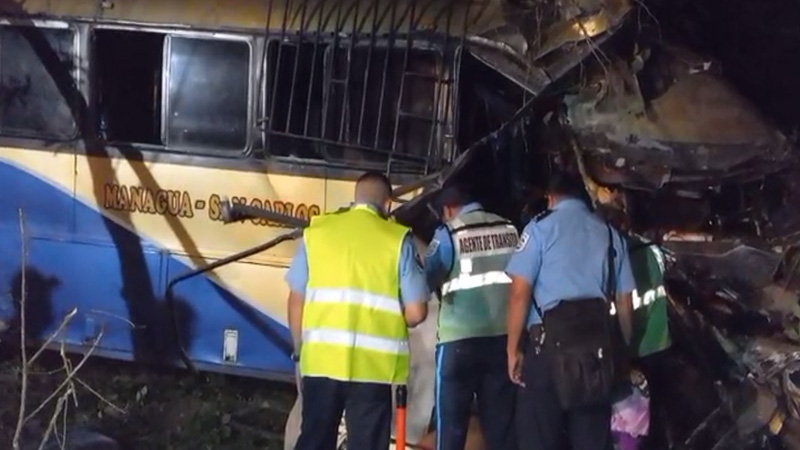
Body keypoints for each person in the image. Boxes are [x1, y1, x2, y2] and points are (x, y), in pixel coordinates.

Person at [285, 171, 430, 450]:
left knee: (314, 439)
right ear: (388, 205)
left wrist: (299, 350)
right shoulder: (398, 240)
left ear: (354, 199)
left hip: (320, 364)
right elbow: (417, 312)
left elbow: (296, 300)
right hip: (372, 371)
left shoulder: (317, 233)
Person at [505, 172, 636, 450]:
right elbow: (626, 302)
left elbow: (519, 294)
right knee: (592, 441)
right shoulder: (611, 235)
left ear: (551, 199)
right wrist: (621, 350)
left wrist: (512, 349)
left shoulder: (539, 229)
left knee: (538, 439)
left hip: (545, 353)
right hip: (596, 356)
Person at [425, 184, 519, 450]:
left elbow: (428, 278)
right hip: (503, 340)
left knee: (451, 428)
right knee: (501, 427)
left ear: (448, 209)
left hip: (458, 343)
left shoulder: (449, 233)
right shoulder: (510, 230)